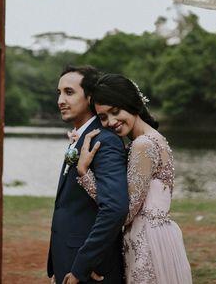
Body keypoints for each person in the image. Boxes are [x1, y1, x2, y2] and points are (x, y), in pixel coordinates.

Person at [76, 73, 193, 284]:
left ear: (131, 104)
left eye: (115, 111)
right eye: (103, 117)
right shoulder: (152, 139)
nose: (111, 122)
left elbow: (126, 213)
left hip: (146, 243)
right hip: (157, 236)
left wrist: (85, 174)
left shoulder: (143, 145)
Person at [47, 65, 129, 284]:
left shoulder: (105, 141)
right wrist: (60, 262)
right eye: (59, 93)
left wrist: (82, 266)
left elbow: (114, 209)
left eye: (69, 92)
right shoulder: (81, 138)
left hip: (91, 270)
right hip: (69, 259)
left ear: (90, 97)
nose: (60, 100)